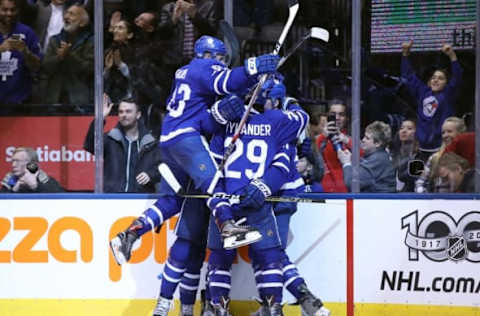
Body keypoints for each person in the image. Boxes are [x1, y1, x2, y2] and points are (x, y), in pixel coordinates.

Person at [109, 35, 280, 265]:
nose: (221, 62)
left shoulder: (184, 72)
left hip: (169, 142)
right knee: (215, 184)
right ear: (207, 55)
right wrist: (254, 66)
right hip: (186, 140)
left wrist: (242, 91)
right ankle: (228, 227)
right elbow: (228, 81)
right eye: (219, 57)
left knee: (172, 201)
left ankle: (129, 235)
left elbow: (204, 115)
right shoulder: (204, 67)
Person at [204, 85, 310, 315]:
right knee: (270, 259)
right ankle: (273, 309)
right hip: (257, 201)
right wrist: (291, 103)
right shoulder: (277, 121)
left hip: (228, 201)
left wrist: (219, 200)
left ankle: (219, 310)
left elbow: (212, 167)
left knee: (220, 261)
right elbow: (303, 119)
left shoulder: (225, 123)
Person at [83, 95, 162, 193]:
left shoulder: (150, 142)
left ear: (138, 114)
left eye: (128, 111)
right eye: (121, 112)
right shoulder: (110, 138)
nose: (124, 115)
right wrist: (100, 118)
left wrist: (150, 175)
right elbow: (89, 145)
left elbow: (162, 168)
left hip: (141, 200)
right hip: (114, 199)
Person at [401, 41, 463, 157]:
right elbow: (409, 76)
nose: (435, 80)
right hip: (422, 148)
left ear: (447, 83)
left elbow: (457, 77)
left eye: (440, 78)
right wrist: (405, 54)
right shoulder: (423, 92)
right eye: (433, 77)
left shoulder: (448, 94)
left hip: (441, 148)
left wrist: (452, 56)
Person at [157, 0, 217, 92]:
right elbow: (161, 35)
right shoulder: (169, 8)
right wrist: (173, 20)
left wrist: (195, 16)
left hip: (199, 62)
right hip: (173, 62)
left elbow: (212, 32)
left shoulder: (208, 5)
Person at [41, 4, 93, 105]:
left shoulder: (90, 41)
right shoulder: (55, 40)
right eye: (66, 13)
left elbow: (90, 69)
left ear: (82, 22)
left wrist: (70, 56)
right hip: (54, 99)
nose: (66, 17)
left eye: (72, 14)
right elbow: (45, 67)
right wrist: (59, 58)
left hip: (79, 100)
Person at [0, 0, 41, 105]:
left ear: (18, 10)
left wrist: (26, 52)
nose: (9, 13)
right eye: (5, 10)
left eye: (13, 10)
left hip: (19, 100)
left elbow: (37, 66)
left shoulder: (27, 32)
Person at [337, 121, 396, 192]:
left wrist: (346, 163)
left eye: (367, 138)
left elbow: (352, 183)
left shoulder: (378, 159)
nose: (363, 140)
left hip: (377, 202)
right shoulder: (376, 156)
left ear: (377, 143)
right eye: (364, 136)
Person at [414, 116, 466, 193]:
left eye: (449, 131)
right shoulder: (434, 158)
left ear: (460, 133)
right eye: (443, 132)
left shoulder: (471, 156)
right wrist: (428, 199)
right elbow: (420, 184)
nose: (445, 135)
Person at [315, 98, 352, 193]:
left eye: (341, 114)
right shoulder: (320, 139)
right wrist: (323, 136)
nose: (337, 118)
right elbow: (312, 157)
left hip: (346, 192)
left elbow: (364, 155)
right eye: (333, 114)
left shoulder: (351, 140)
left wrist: (346, 141)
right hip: (324, 192)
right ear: (327, 116)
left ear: (347, 118)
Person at [104, 19, 134, 103]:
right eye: (115, 28)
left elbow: (137, 78)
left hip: (130, 98)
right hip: (112, 98)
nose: (115, 31)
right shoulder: (110, 51)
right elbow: (104, 79)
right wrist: (107, 69)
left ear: (129, 35)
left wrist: (121, 65)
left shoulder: (135, 51)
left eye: (120, 28)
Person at [390, 118, 422, 192]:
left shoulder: (419, 155)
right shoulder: (393, 153)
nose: (404, 131)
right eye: (401, 128)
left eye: (409, 128)